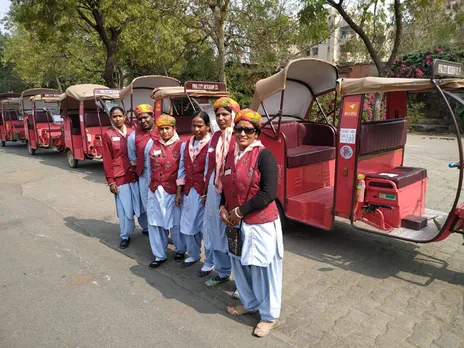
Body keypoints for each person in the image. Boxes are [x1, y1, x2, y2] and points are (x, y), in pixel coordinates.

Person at [219, 109, 283, 338]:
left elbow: (269, 193)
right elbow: (226, 184)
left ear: (256, 132)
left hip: (260, 222)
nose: (242, 133)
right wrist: (223, 206)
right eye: (239, 129)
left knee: (263, 269)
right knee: (240, 265)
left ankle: (269, 316)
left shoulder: (264, 156)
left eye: (248, 130)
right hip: (236, 222)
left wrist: (240, 210)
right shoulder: (231, 154)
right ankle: (250, 303)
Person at [202, 97, 240, 287]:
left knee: (234, 234)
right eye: (217, 115)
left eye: (225, 114)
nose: (221, 118)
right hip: (213, 188)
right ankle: (222, 271)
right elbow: (209, 165)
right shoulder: (215, 137)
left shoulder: (241, 135)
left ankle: (241, 282)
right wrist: (205, 191)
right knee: (215, 231)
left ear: (234, 114)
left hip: (233, 192)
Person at [146, 115, 186, 268]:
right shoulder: (152, 144)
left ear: (173, 128)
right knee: (155, 222)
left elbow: (182, 170)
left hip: (172, 190)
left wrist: (178, 192)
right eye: (161, 129)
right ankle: (159, 254)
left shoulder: (181, 145)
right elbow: (148, 168)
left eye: (167, 128)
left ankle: (180, 249)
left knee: (175, 222)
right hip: (155, 190)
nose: (164, 132)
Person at [176, 111, 212, 270]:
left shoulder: (212, 144)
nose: (196, 129)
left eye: (200, 126)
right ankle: (194, 253)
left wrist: (207, 192)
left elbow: (210, 171)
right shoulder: (185, 145)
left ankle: (210, 261)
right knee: (189, 224)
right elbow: (182, 169)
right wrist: (179, 191)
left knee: (207, 227)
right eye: (194, 125)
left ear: (208, 126)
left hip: (205, 192)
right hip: (190, 191)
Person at [102, 106, 137, 249]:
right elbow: (107, 159)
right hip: (120, 177)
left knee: (142, 206)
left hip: (135, 175)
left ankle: (147, 229)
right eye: (114, 117)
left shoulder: (132, 132)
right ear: (111, 118)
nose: (117, 119)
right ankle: (125, 235)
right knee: (125, 209)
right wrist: (111, 181)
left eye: (120, 116)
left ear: (125, 117)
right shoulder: (108, 134)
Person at [127, 104, 155, 235]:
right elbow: (133, 158)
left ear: (152, 116)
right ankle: (155, 236)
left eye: (145, 117)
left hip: (165, 178)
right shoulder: (133, 137)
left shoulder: (164, 130)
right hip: (145, 177)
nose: (143, 121)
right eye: (139, 119)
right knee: (149, 207)